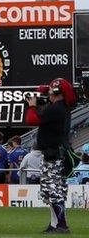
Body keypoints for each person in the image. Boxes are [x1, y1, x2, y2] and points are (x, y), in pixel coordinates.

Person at [26, 78, 76, 234]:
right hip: (55, 155)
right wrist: (42, 91)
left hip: (53, 156)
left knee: (53, 191)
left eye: (50, 92)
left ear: (56, 93)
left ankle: (61, 225)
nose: (48, 95)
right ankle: (55, 224)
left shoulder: (56, 109)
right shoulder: (61, 108)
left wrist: (32, 106)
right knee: (52, 191)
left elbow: (31, 119)